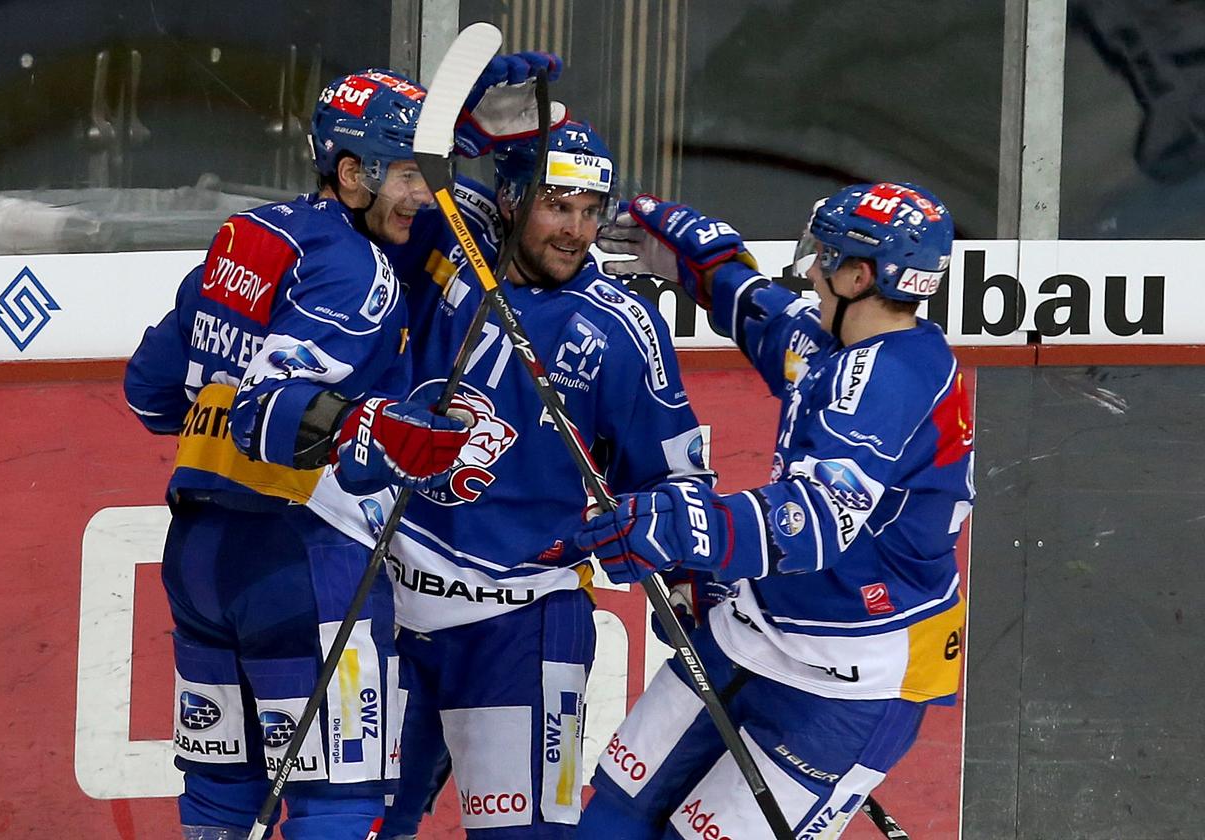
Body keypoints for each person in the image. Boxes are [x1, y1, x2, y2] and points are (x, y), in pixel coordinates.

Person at [122, 62, 556, 840]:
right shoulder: (362, 276)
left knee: (224, 795)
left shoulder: (249, 239)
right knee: (338, 805)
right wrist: (378, 429)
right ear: (352, 172)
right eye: (407, 177)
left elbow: (148, 393)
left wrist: (480, 129)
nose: (423, 196)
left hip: (198, 557)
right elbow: (270, 411)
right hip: (306, 560)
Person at [568, 183, 975, 839]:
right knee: (610, 819)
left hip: (848, 681)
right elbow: (771, 322)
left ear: (858, 275)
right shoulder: (844, 346)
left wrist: (685, 526)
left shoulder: (890, 382)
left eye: (826, 257)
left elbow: (818, 519)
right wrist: (698, 267)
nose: (812, 268)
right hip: (752, 634)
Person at [377, 121, 714, 840]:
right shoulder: (450, 245)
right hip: (389, 600)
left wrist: (687, 575)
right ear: (506, 200)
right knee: (361, 824)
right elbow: (378, 181)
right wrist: (458, 117)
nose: (578, 230)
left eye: (593, 211)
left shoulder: (622, 327)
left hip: (522, 621)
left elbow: (675, 476)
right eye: (558, 206)